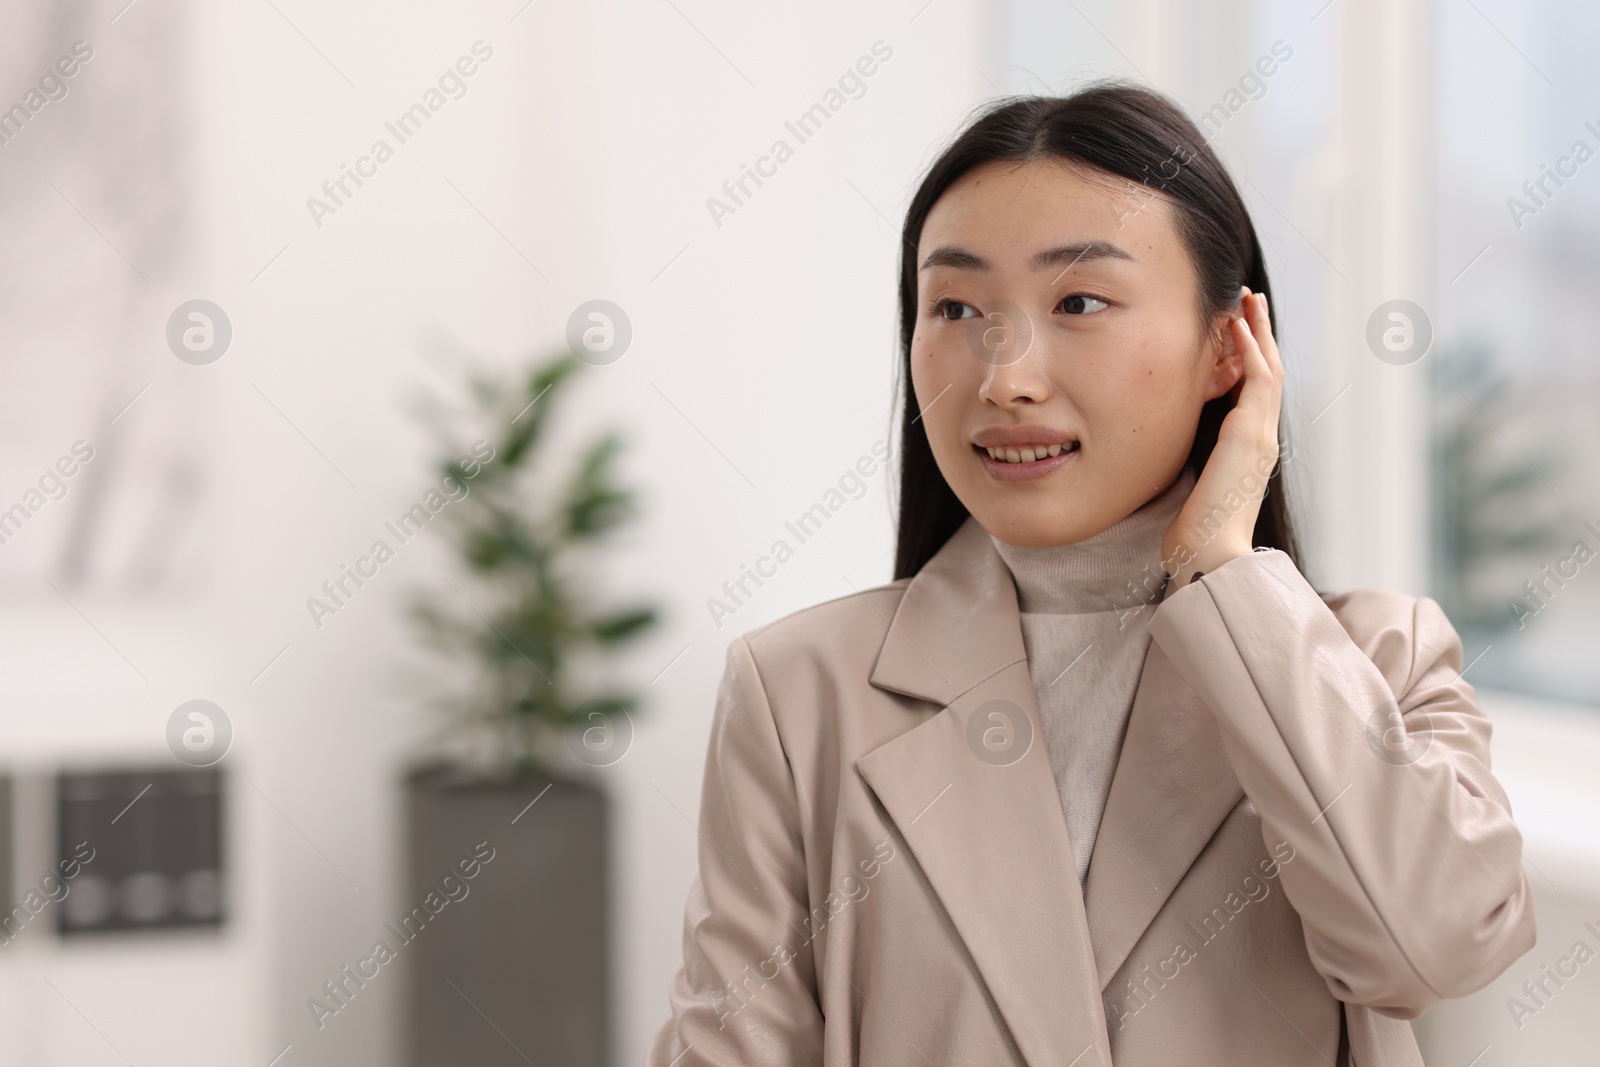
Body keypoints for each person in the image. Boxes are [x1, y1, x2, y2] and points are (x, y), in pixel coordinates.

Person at [646, 81, 1535, 1066]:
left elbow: (1432, 949)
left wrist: (1222, 574)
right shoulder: (797, 690)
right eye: (955, 305)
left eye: (1078, 300)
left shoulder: (1378, 655)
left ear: (1226, 347)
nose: (1003, 376)